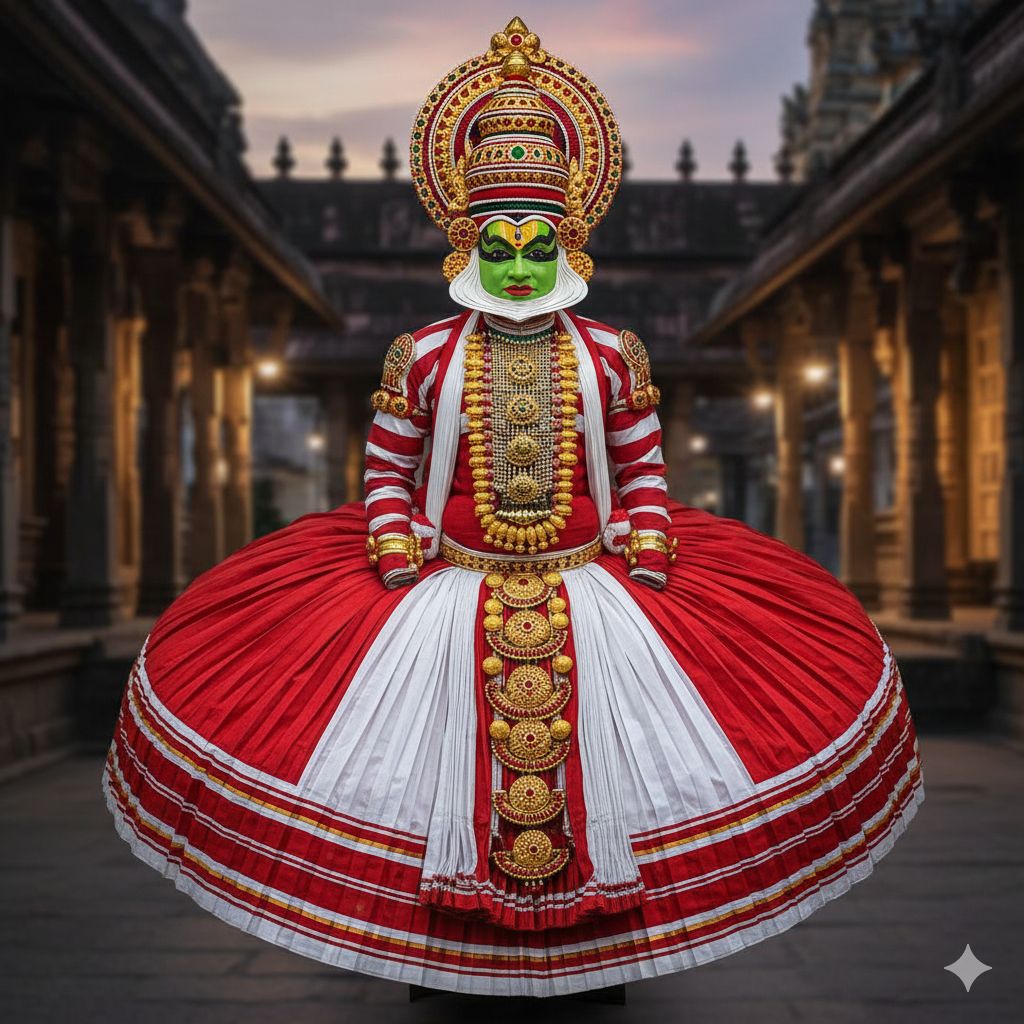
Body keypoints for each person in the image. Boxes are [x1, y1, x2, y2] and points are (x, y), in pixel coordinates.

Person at [104, 16, 924, 998]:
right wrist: (389, 529)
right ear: (467, 238)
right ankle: (440, 953)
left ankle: (598, 954)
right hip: (446, 579)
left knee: (612, 766)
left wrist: (651, 526)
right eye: (502, 244)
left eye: (540, 244)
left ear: (570, 237)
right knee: (429, 775)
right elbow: (388, 465)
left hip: (596, 581)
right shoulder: (426, 355)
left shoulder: (612, 354)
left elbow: (638, 457)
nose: (523, 264)